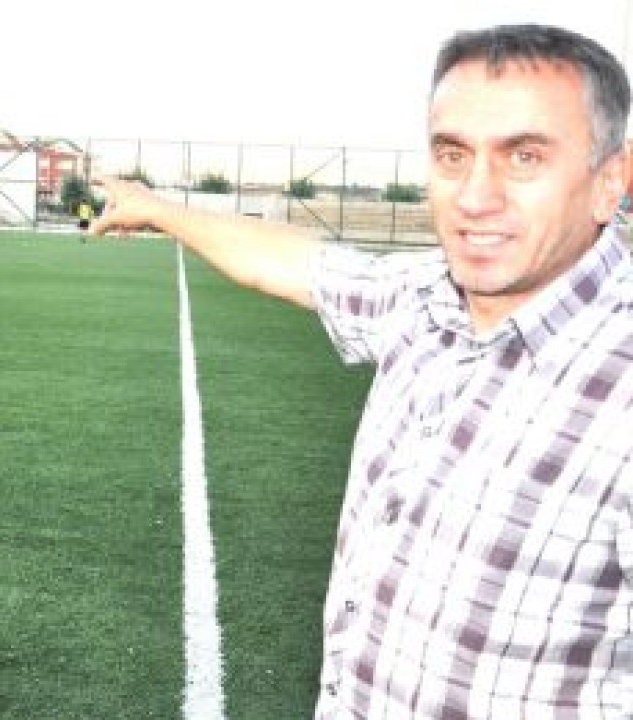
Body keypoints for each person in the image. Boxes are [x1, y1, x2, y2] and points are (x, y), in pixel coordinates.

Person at [92, 24, 632, 719]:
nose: (475, 196)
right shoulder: (421, 300)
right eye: (452, 154)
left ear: (610, 181)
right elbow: (294, 262)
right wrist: (159, 209)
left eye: (524, 157)